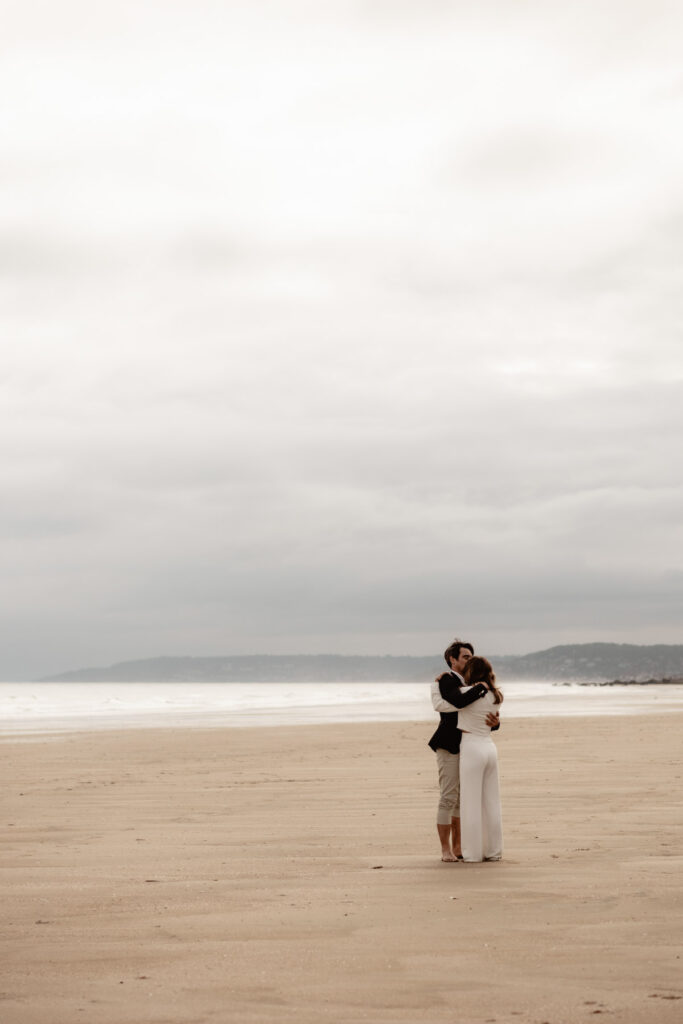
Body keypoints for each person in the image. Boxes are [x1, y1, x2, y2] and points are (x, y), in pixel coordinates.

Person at [428, 640, 499, 862]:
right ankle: (445, 849)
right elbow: (458, 702)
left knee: (462, 799)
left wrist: (495, 722)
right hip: (449, 745)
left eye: (471, 657)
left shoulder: (472, 683)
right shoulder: (447, 680)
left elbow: (482, 716)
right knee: (448, 797)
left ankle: (459, 846)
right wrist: (482, 687)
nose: (469, 660)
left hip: (470, 746)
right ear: (453, 659)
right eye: (465, 656)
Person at [458, 656, 504, 863]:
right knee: (491, 802)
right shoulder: (496, 696)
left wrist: (439, 681)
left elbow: (446, 700)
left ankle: (473, 853)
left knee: (471, 802)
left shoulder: (466, 693)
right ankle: (494, 851)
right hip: (489, 746)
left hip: (471, 746)